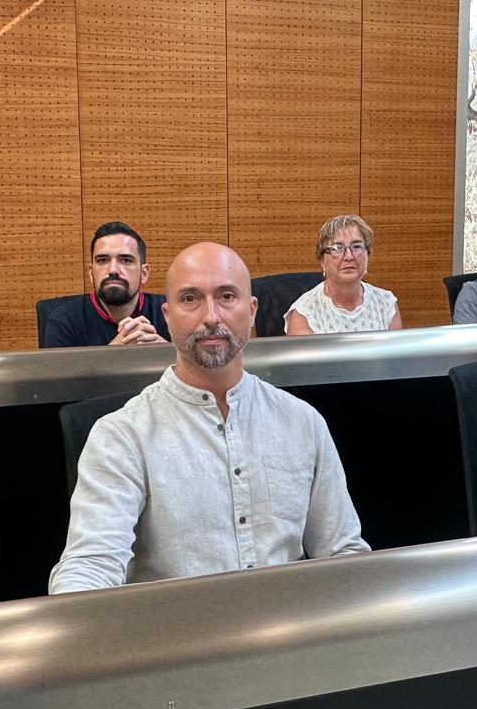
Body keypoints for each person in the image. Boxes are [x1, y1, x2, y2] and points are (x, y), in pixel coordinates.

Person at [49, 242, 369, 592]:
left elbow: (342, 553)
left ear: (252, 310)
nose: (211, 316)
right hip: (175, 626)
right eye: (190, 299)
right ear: (167, 316)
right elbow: (89, 565)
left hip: (288, 623)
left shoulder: (303, 422)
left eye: (227, 296)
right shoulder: (121, 435)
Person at [44, 221, 171, 347]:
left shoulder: (169, 311)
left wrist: (168, 351)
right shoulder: (64, 320)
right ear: (91, 273)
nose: (113, 270)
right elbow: (58, 362)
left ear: (143, 273)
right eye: (103, 260)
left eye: (125, 260)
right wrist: (111, 353)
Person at [285, 214, 403, 335]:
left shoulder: (386, 303)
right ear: (322, 260)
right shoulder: (304, 314)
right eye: (337, 248)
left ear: (367, 255)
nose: (349, 256)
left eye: (356, 246)